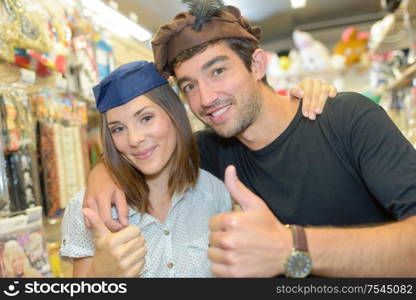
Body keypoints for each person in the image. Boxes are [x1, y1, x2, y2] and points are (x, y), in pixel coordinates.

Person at [85, 1, 416, 278]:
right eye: (189, 86)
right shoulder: (209, 151)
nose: (206, 98)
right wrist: (104, 173)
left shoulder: (346, 120)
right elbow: (143, 147)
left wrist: (290, 247)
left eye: (218, 71)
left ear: (257, 64)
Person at [60, 61, 232, 277]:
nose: (135, 139)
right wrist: (100, 277)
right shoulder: (88, 208)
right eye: (119, 129)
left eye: (146, 118)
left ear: (174, 114)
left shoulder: (214, 193)